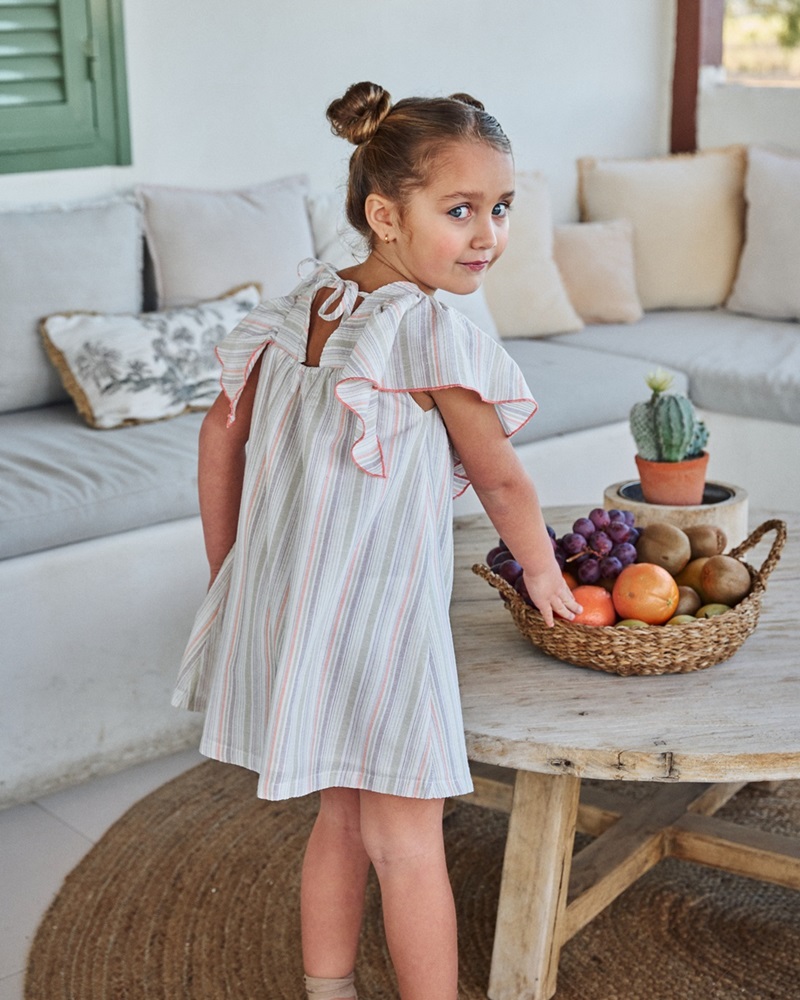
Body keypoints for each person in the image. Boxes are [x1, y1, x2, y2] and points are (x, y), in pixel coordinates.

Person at [173, 80, 581, 1000]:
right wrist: (545, 570)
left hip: (296, 607)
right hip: (379, 623)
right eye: (461, 210)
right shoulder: (430, 329)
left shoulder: (303, 306)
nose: (488, 234)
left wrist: (227, 567)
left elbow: (216, 435)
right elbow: (502, 475)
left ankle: (329, 989)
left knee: (342, 818)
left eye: (502, 208)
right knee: (407, 841)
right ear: (384, 215)